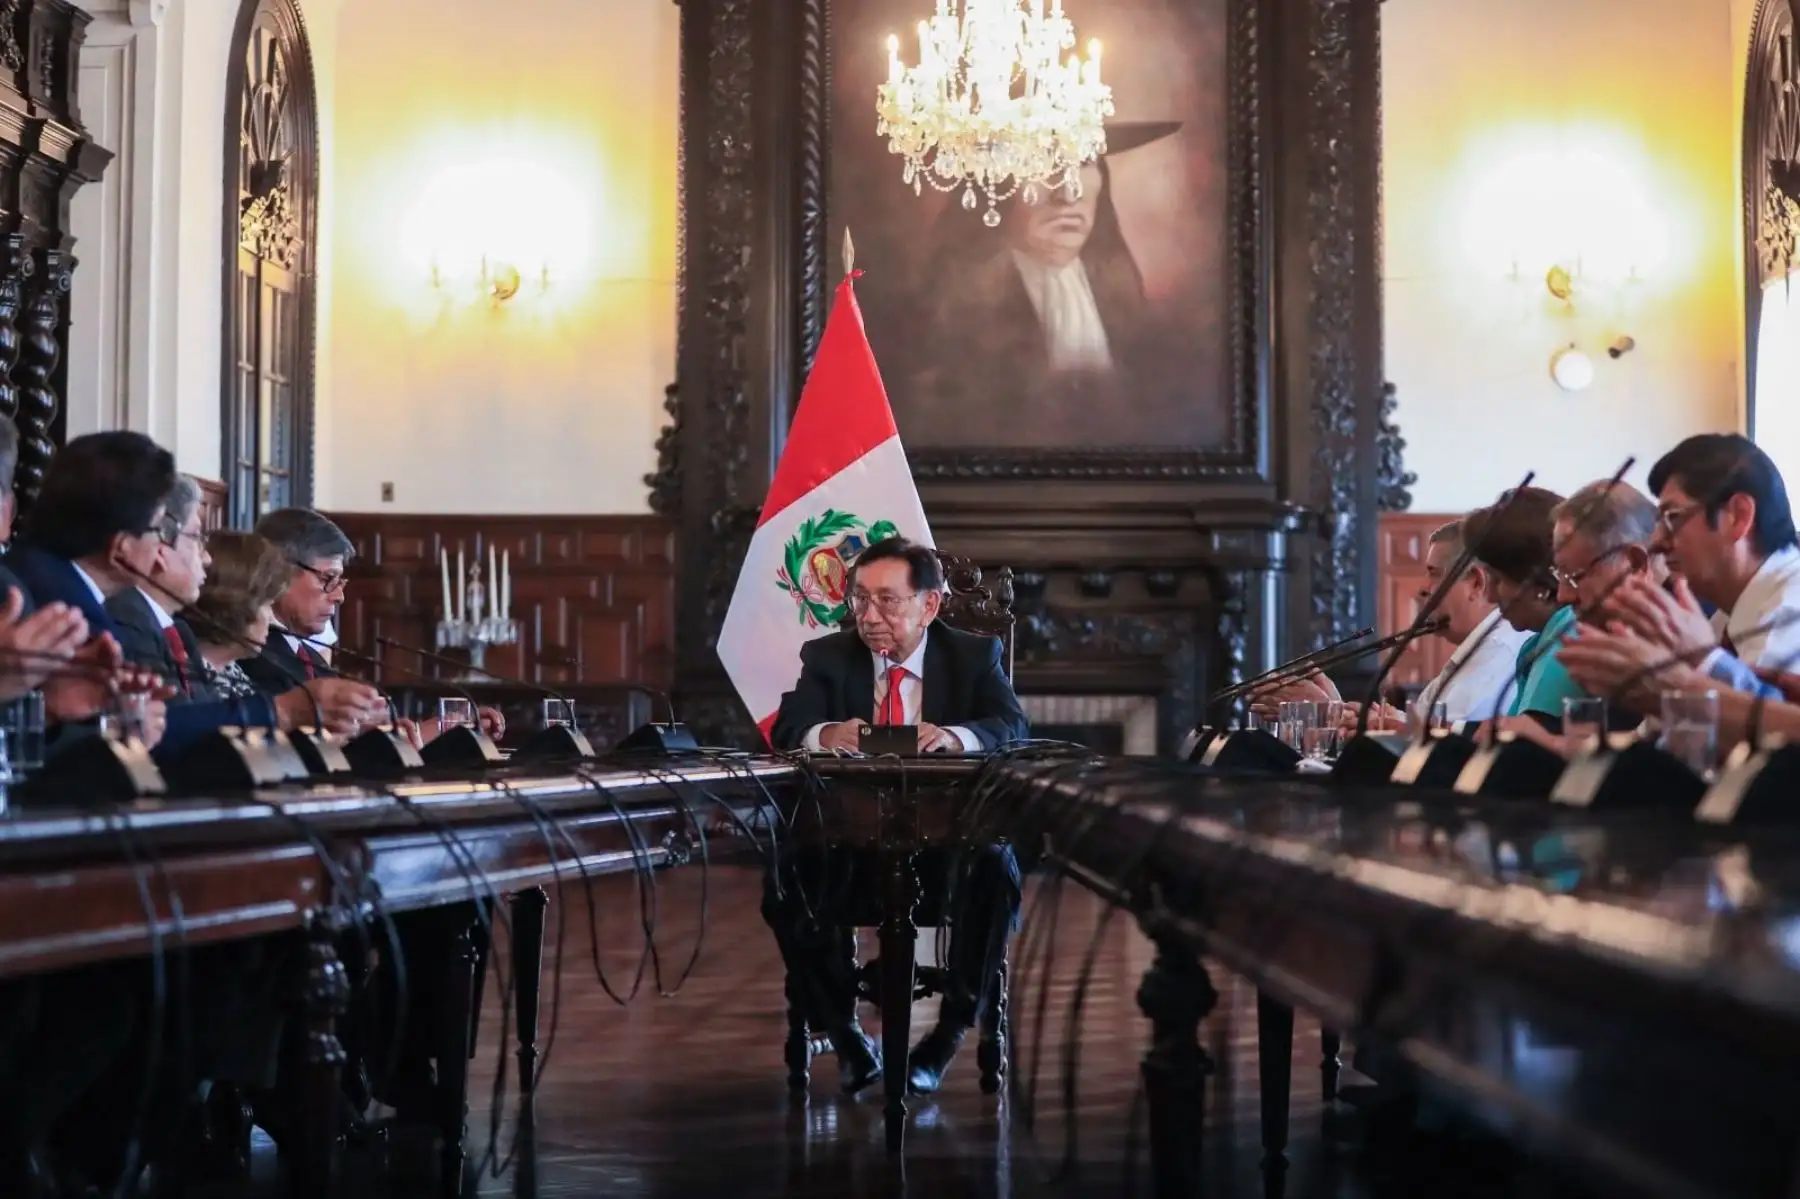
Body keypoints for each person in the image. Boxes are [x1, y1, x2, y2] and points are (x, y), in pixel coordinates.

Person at [766, 537, 1029, 1095]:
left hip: (947, 850)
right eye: (860, 600)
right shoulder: (828, 657)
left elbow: (1011, 727)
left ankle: (945, 1038)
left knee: (997, 870)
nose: (870, 616)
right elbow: (788, 728)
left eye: (888, 601)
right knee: (785, 877)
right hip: (851, 849)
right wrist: (825, 733)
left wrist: (958, 737)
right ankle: (845, 1036)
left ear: (928, 606)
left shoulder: (972, 656)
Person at [245, 507, 505, 741]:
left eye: (340, 581)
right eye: (328, 578)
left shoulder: (310, 655)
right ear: (279, 572)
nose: (339, 596)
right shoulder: (249, 653)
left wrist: (440, 729)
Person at [183, 530, 292, 700]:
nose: (272, 619)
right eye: (266, 605)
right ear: (235, 604)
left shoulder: (232, 673)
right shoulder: (184, 679)